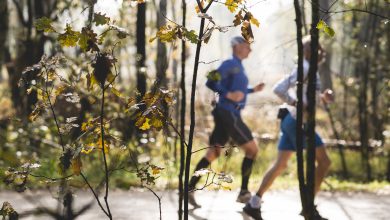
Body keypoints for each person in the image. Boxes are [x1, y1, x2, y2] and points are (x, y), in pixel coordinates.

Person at [243, 36, 333, 220]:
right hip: (296, 121)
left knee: (280, 165)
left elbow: (307, 96)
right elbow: (279, 88)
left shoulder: (309, 70)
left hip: (290, 120)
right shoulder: (305, 68)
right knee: (324, 162)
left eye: (319, 49)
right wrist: (297, 103)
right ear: (308, 51)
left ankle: (253, 204)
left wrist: (322, 97)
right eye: (315, 49)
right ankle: (309, 207)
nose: (319, 52)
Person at [188, 36, 265, 208]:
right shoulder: (229, 64)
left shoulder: (238, 67)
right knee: (252, 150)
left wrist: (252, 90)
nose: (250, 50)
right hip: (229, 113)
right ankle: (244, 192)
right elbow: (210, 80)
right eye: (247, 47)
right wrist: (227, 95)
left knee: (213, 153)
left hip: (225, 114)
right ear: (237, 46)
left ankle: (189, 188)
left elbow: (237, 90)